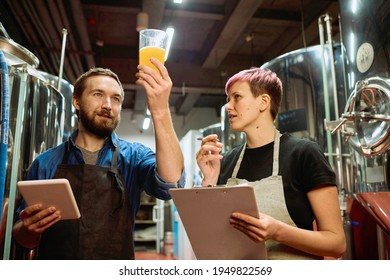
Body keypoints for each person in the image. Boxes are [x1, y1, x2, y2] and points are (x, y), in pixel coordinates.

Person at [12, 59, 185, 259]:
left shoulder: (134, 157)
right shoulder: (45, 162)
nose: (108, 105)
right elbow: (23, 239)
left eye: (116, 99)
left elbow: (171, 185)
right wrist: (29, 230)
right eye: (98, 94)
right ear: (76, 101)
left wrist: (160, 110)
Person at [196, 67, 346, 260]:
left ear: (263, 102)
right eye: (228, 99)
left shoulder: (303, 154)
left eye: (237, 97)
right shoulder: (226, 163)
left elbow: (337, 244)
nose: (228, 106)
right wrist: (209, 180)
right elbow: (211, 238)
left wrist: (278, 232)